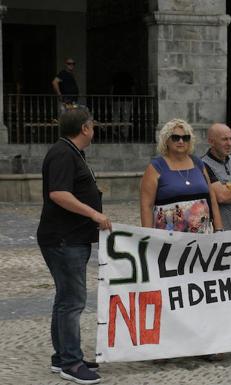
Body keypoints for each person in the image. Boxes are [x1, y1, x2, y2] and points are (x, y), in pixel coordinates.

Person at [37, 106, 111, 384]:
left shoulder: (71, 152)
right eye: (92, 124)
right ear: (84, 128)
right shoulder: (62, 153)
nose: (94, 129)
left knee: (64, 299)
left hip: (71, 238)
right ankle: (71, 363)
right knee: (72, 301)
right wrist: (94, 213)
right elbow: (58, 193)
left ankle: (63, 356)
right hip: (63, 240)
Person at [140, 118, 223, 233]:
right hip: (169, 238)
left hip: (202, 236)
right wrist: (148, 237)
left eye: (185, 138)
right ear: (166, 140)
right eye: (175, 138)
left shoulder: (198, 163)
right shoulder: (155, 167)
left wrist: (219, 229)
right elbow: (146, 207)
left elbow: (212, 198)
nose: (181, 141)